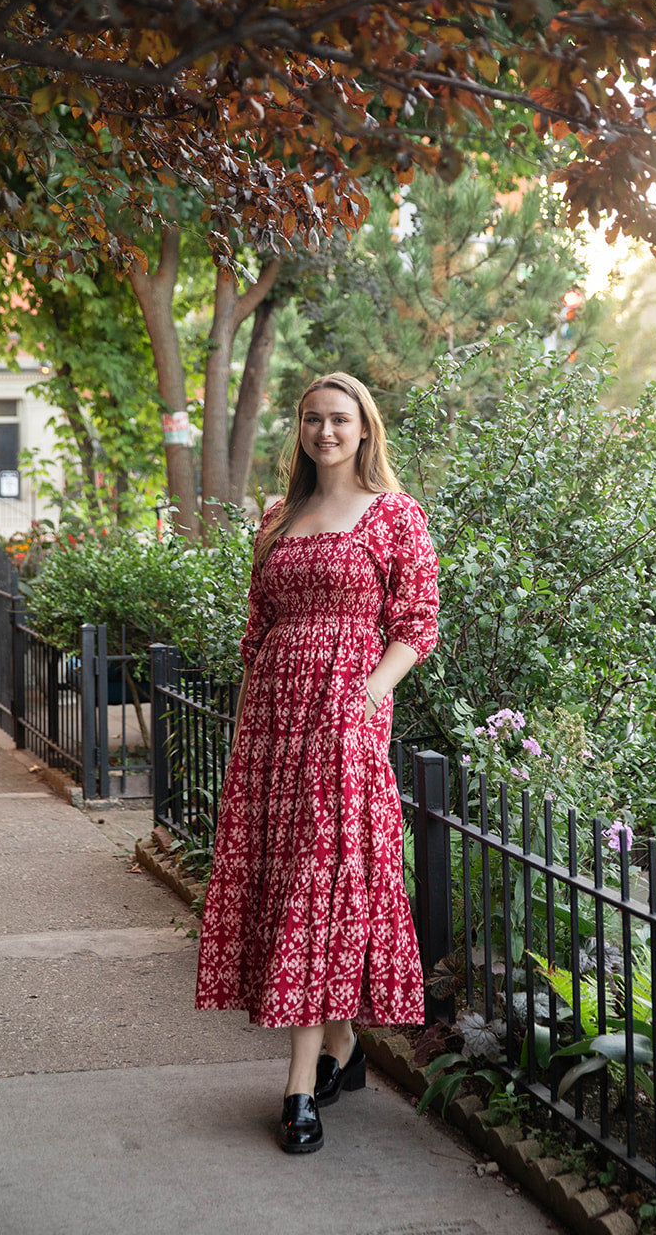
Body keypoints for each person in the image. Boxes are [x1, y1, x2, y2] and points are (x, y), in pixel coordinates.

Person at [194, 372, 440, 1155]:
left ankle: (300, 1086)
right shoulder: (277, 515)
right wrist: (250, 719)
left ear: (364, 429)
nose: (324, 431)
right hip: (272, 727)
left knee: (319, 883)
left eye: (339, 419)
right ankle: (343, 1048)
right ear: (299, 429)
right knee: (301, 882)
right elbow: (257, 623)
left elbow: (417, 625)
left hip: (343, 721)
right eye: (311, 419)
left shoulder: (395, 516)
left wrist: (367, 697)